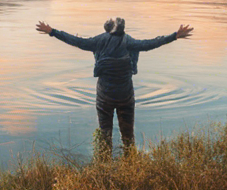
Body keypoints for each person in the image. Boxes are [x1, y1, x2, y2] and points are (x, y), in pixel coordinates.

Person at [36, 17, 193, 157]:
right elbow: (150, 43)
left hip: (105, 97)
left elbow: (76, 41)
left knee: (105, 136)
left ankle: (104, 168)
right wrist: (174, 36)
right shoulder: (129, 42)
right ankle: (130, 164)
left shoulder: (98, 41)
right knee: (128, 137)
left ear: (108, 29)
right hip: (126, 96)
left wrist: (52, 31)